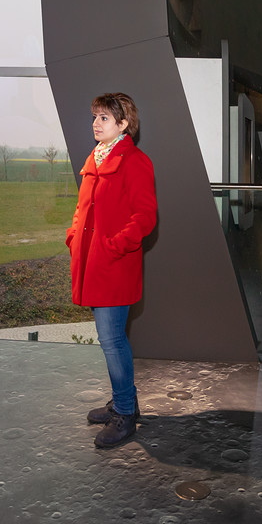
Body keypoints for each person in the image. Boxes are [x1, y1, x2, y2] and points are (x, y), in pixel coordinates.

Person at [66, 92, 157, 448]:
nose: (95, 123)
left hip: (114, 264)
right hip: (92, 263)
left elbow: (145, 217)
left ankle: (125, 414)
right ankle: (124, 402)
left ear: (123, 124)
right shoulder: (96, 158)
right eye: (95, 116)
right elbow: (83, 208)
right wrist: (74, 235)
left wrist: (115, 245)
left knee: (112, 339)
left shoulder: (135, 161)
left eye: (103, 118)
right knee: (110, 339)